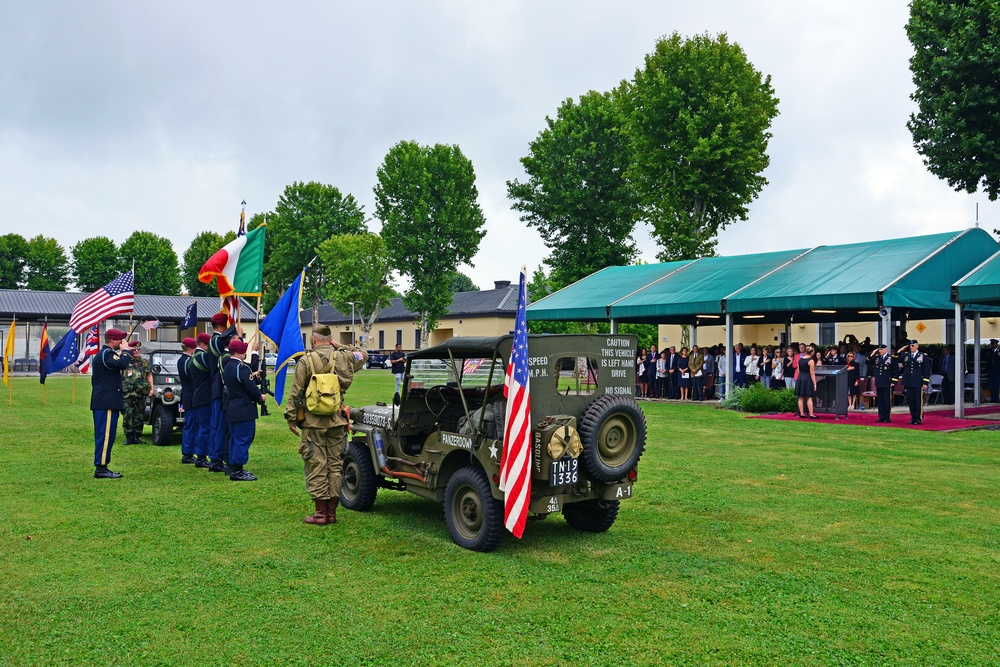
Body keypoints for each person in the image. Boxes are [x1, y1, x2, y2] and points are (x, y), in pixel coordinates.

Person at [285, 325, 367, 526]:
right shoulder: (344, 357)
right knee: (335, 466)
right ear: (330, 340)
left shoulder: (305, 360)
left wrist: (291, 417)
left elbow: (296, 392)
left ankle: (321, 514)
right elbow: (362, 355)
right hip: (337, 420)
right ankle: (331, 513)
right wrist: (340, 346)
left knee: (316, 465)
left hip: (313, 423)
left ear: (313, 340)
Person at [91, 329, 132, 478]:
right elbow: (122, 364)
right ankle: (101, 468)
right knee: (106, 435)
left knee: (107, 435)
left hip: (105, 401)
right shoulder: (107, 354)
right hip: (106, 402)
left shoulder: (106, 354)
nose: (122, 342)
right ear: (113, 340)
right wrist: (126, 351)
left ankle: (102, 465)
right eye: (120, 339)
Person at [223, 339, 266, 481]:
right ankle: (238, 470)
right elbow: (250, 388)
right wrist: (260, 397)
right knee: (243, 438)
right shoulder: (242, 367)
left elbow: (240, 382)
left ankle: (233, 466)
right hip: (244, 408)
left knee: (235, 439)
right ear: (239, 352)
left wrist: (253, 376)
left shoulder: (228, 365)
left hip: (233, 407)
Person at [207, 313, 239, 473]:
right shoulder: (216, 341)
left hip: (215, 388)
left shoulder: (214, 340)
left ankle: (215, 457)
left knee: (217, 426)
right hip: (219, 389)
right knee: (220, 426)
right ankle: (217, 459)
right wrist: (235, 332)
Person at [188, 333, 214, 468]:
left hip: (197, 395)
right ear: (204, 344)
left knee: (201, 427)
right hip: (204, 396)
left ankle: (200, 455)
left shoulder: (191, 358)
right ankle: (201, 456)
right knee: (205, 428)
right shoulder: (202, 357)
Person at [121, 340, 153, 444]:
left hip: (141, 392)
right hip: (127, 392)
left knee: (139, 414)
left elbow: (149, 375)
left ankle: (136, 436)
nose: (136, 351)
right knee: (127, 414)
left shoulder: (144, 362)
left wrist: (152, 388)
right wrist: (125, 351)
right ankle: (128, 436)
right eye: (134, 349)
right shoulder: (125, 360)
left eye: (138, 349)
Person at [898, 339, 931, 425]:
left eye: (913, 346)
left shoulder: (923, 356)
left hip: (918, 381)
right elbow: (896, 358)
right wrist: (902, 350)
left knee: (918, 401)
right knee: (911, 401)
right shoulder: (906, 355)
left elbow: (926, 370)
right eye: (910, 346)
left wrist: (925, 382)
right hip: (909, 381)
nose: (911, 347)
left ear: (917, 346)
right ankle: (913, 417)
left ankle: (919, 418)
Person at [177, 337, 198, 464]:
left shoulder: (183, 360)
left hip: (188, 395)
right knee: (190, 425)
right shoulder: (186, 361)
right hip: (190, 396)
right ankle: (188, 452)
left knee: (191, 425)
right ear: (190, 349)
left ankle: (189, 451)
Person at [869, 343, 896, 423]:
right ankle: (881, 417)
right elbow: (868, 362)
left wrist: (894, 381)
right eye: (879, 349)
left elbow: (895, 370)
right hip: (879, 382)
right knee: (880, 401)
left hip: (887, 382)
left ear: (886, 350)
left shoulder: (890, 358)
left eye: (881, 349)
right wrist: (872, 354)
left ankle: (887, 417)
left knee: (886, 400)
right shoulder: (877, 358)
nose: (880, 351)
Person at [795, 345, 818, 418]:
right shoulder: (811, 361)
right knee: (809, 396)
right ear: (811, 352)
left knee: (800, 396)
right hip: (807, 378)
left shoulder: (800, 359)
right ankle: (811, 414)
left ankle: (802, 413)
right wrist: (815, 383)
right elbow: (812, 373)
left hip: (800, 378)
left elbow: (798, 370)